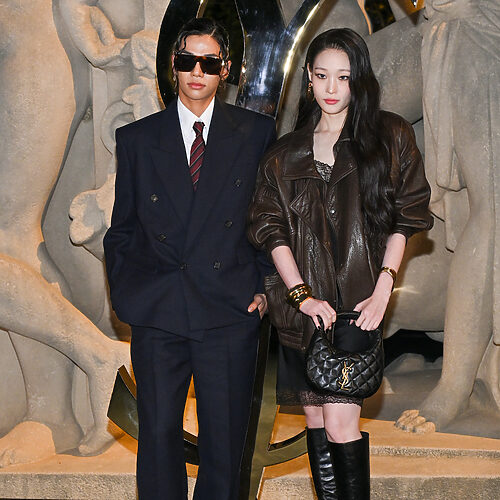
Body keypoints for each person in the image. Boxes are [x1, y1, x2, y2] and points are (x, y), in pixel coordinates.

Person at [247, 28, 433, 499]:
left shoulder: (389, 136)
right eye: (322, 75)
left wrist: (384, 287)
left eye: (344, 77)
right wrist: (301, 296)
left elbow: (407, 215)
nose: (331, 88)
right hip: (300, 312)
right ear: (308, 78)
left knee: (340, 423)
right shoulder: (283, 154)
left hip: (356, 306)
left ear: (359, 80)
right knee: (315, 419)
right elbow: (270, 230)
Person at [103, 17, 276, 500]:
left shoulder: (256, 133)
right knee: (158, 441)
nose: (197, 72)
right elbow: (122, 229)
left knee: (224, 445)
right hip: (159, 310)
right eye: (187, 60)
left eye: (209, 63)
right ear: (173, 66)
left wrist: (264, 287)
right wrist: (130, 298)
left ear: (226, 70)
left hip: (229, 309)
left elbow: (271, 219)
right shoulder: (137, 139)